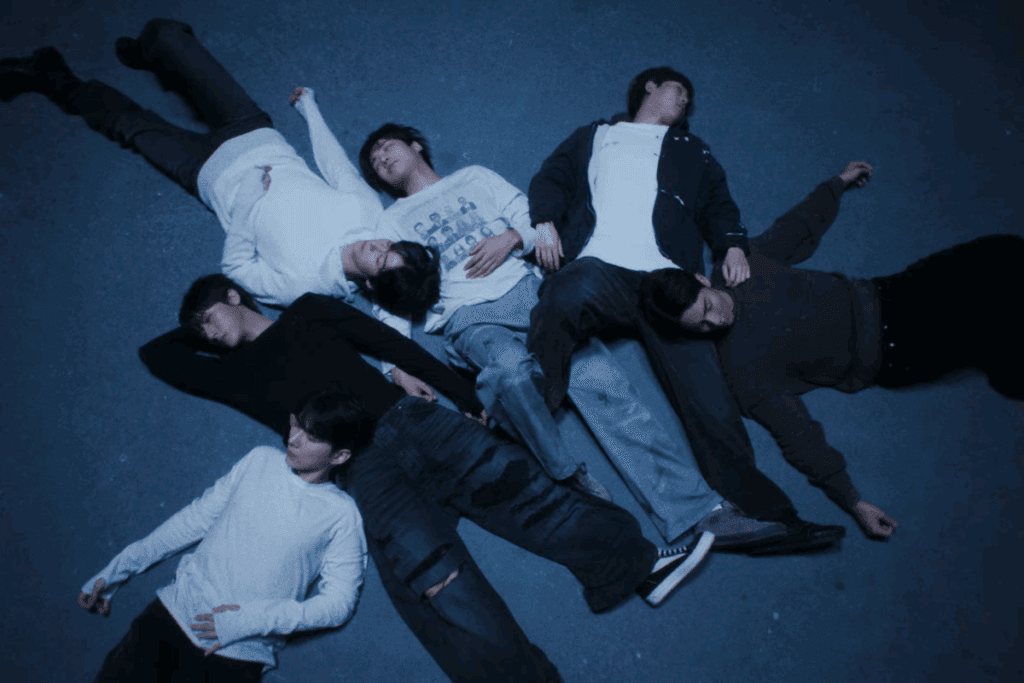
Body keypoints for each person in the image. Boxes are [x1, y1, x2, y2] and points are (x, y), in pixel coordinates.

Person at [138, 273, 715, 683]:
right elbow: (156, 354)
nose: (206, 333)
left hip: (414, 421)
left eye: (208, 318)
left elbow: (388, 343)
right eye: (199, 330)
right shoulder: (233, 375)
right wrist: (200, 327)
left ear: (233, 294)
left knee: (530, 495)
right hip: (362, 470)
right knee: (439, 582)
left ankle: (636, 565)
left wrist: (466, 395)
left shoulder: (309, 311)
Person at [356, 119, 791, 548]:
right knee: (510, 371)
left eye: (386, 146)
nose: (382, 158)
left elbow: (537, 223)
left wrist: (512, 238)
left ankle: (700, 513)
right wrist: (394, 366)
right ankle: (565, 475)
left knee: (608, 390)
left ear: (415, 145)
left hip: (534, 298)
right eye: (375, 162)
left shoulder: (474, 178)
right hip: (470, 317)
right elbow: (387, 299)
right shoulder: (391, 220)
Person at [526, 65, 843, 551]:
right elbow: (554, 176)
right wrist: (544, 222)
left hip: (671, 280)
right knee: (561, 295)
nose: (686, 100)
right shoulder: (596, 135)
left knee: (710, 399)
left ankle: (767, 519)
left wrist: (731, 244)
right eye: (679, 90)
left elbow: (718, 201)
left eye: (689, 98)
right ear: (650, 86)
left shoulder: (692, 149)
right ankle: (531, 410)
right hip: (600, 267)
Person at [639, 161, 1024, 538]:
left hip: (888, 292)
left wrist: (836, 184)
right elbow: (798, 436)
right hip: (894, 350)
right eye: (701, 326)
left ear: (703, 280)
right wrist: (854, 502)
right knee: (998, 327)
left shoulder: (739, 265)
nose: (715, 321)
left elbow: (796, 228)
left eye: (708, 307)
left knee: (1002, 251)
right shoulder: (741, 371)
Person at [0, 19, 437, 315]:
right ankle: (151, 52)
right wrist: (310, 109)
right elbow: (337, 168)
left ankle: (52, 77)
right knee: (169, 36)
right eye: (390, 246)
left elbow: (238, 270)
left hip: (206, 173)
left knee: (124, 123)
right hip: (253, 131)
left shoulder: (304, 289)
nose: (376, 246)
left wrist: (246, 199)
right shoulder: (367, 215)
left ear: (371, 286)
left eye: (381, 262)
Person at [77, 390, 370, 682]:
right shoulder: (260, 461)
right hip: (169, 618)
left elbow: (338, 604)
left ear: (339, 455)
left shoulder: (342, 515)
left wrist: (246, 622)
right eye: (296, 424)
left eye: (312, 437)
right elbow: (194, 520)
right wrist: (117, 569)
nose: (293, 439)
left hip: (234, 655)